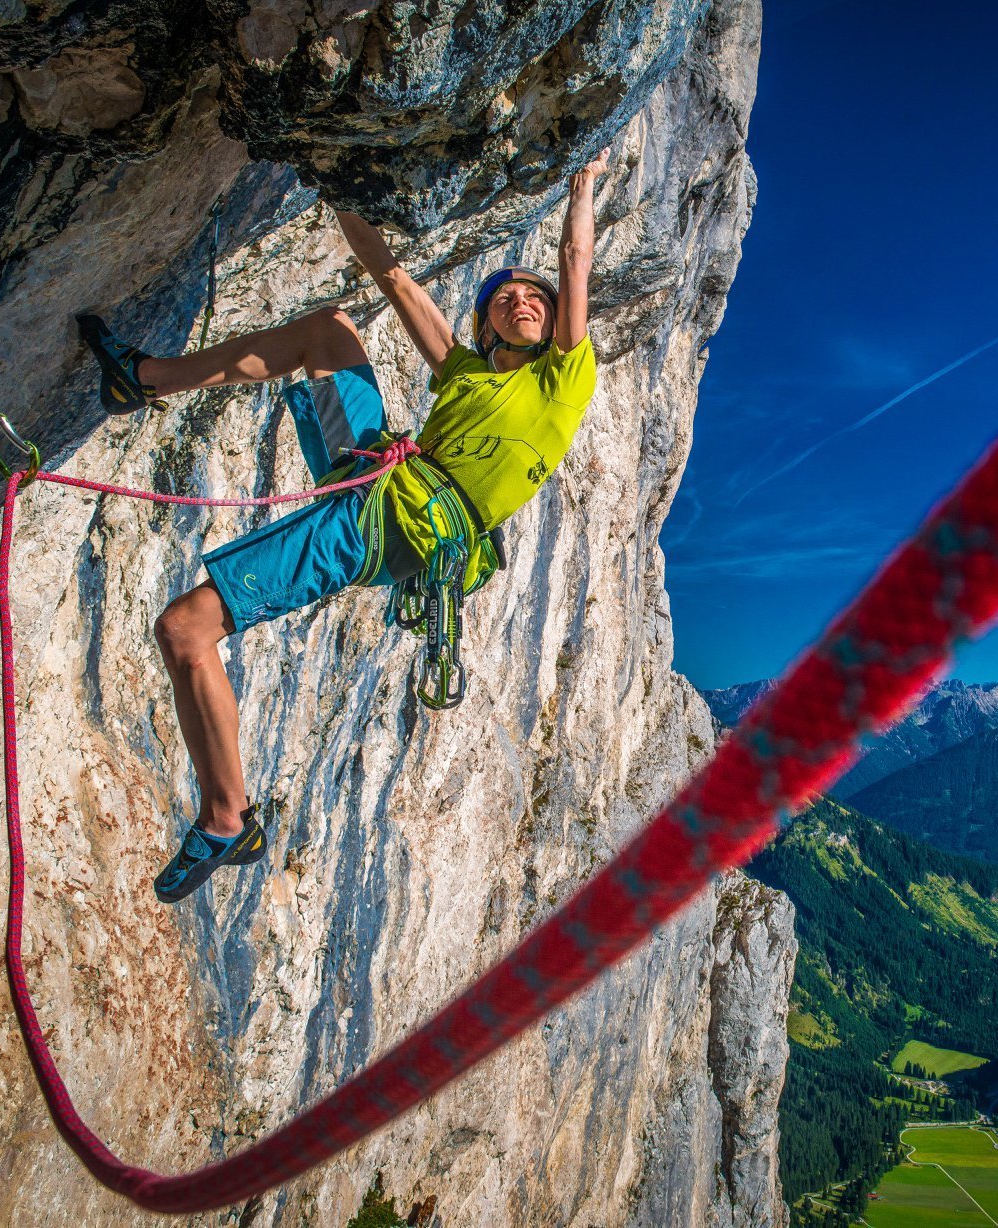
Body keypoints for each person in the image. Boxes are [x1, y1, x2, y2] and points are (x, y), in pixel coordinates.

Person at [76, 150, 609, 904]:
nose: (520, 297)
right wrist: (329, 172)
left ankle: (227, 818)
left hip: (380, 528)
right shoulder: (464, 372)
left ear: (554, 323)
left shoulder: (564, 377)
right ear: (485, 327)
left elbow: (575, 257)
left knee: (186, 630)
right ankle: (145, 379)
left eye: (534, 296)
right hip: (371, 468)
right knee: (329, 331)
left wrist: (582, 185)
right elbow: (390, 276)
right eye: (503, 295)